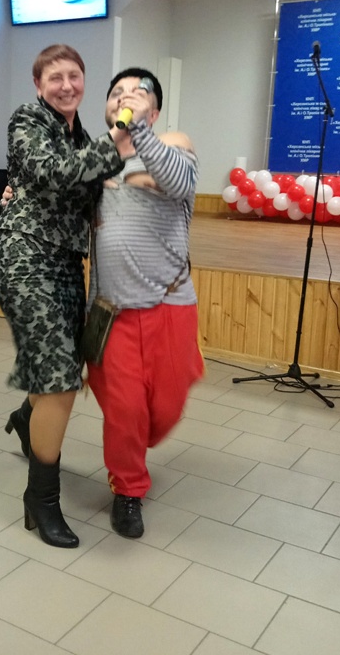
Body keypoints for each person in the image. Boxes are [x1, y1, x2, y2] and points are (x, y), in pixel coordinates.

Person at [0, 44, 136, 549]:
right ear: (38, 85)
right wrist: (117, 139)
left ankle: (27, 417)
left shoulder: (83, 138)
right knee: (59, 380)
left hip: (68, 265)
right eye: (55, 77)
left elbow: (96, 190)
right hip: (25, 258)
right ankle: (41, 500)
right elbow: (55, 171)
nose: (66, 85)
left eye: (74, 76)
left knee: (62, 368)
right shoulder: (27, 119)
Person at [87, 68, 203, 538]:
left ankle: (37, 415)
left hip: (169, 305)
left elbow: (174, 181)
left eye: (137, 93)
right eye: (116, 93)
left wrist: (139, 137)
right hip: (110, 310)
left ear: (153, 112)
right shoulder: (94, 160)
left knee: (164, 412)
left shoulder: (173, 143)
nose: (125, 97)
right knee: (126, 410)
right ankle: (128, 488)